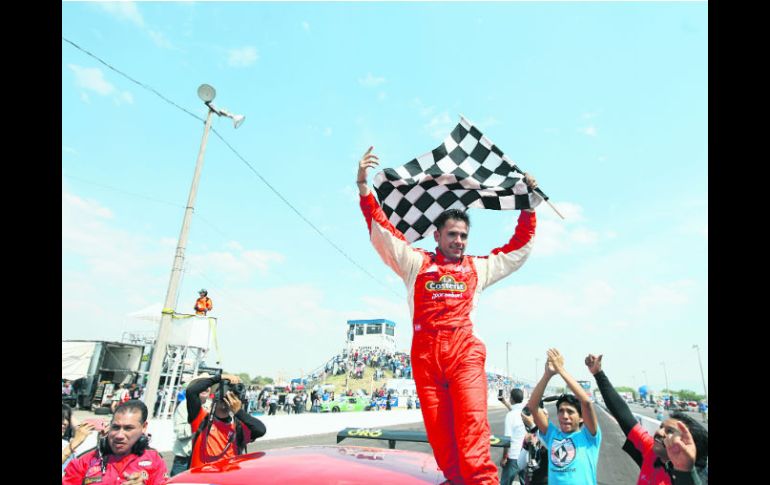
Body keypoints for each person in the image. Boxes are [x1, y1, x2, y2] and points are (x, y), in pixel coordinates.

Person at [357, 147, 538, 484]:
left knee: (472, 442)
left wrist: (527, 208)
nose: (459, 241)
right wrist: (364, 189)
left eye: (464, 236)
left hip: (463, 354)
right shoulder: (415, 263)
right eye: (452, 234)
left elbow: (516, 251)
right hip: (425, 357)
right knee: (445, 451)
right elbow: (382, 232)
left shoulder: (477, 267)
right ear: (436, 235)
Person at [585, 354, 708, 484]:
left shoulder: (696, 478)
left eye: (670, 431)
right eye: (661, 427)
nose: (659, 433)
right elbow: (623, 415)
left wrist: (684, 472)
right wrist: (598, 374)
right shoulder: (651, 451)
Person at [528, 348, 601, 485]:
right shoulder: (552, 435)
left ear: (581, 418)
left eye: (570, 411)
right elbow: (532, 406)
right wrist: (547, 375)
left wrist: (560, 370)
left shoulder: (589, 437)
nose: (564, 416)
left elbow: (586, 402)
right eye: (561, 411)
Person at [63, 400, 168, 485]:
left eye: (128, 428)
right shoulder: (84, 461)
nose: (119, 435)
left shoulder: (154, 460)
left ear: (144, 427)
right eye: (116, 427)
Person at [186, 373, 266, 468]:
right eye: (224, 392)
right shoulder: (201, 418)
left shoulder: (239, 427)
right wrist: (220, 377)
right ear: (216, 395)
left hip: (226, 478)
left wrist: (238, 411)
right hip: (201, 478)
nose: (227, 397)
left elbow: (261, 430)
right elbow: (191, 391)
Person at [170, 377, 211, 476]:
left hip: (204, 459)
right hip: (184, 459)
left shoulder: (213, 406)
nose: (204, 388)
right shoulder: (184, 406)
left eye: (207, 386)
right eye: (201, 385)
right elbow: (180, 432)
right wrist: (201, 422)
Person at [501, 389, 527, 484]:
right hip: (525, 456)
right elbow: (515, 412)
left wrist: (504, 457)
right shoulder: (526, 412)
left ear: (511, 398)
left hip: (513, 458)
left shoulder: (510, 416)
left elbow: (507, 440)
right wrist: (505, 403)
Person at [518, 405, 549, 485]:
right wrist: (526, 446)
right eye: (524, 421)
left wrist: (534, 428)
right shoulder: (529, 436)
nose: (526, 424)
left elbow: (550, 447)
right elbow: (520, 465)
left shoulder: (550, 435)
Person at [62, 404, 97, 473]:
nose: (66, 422)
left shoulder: (65, 443)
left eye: (67, 419)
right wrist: (75, 442)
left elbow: (79, 427)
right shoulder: (71, 444)